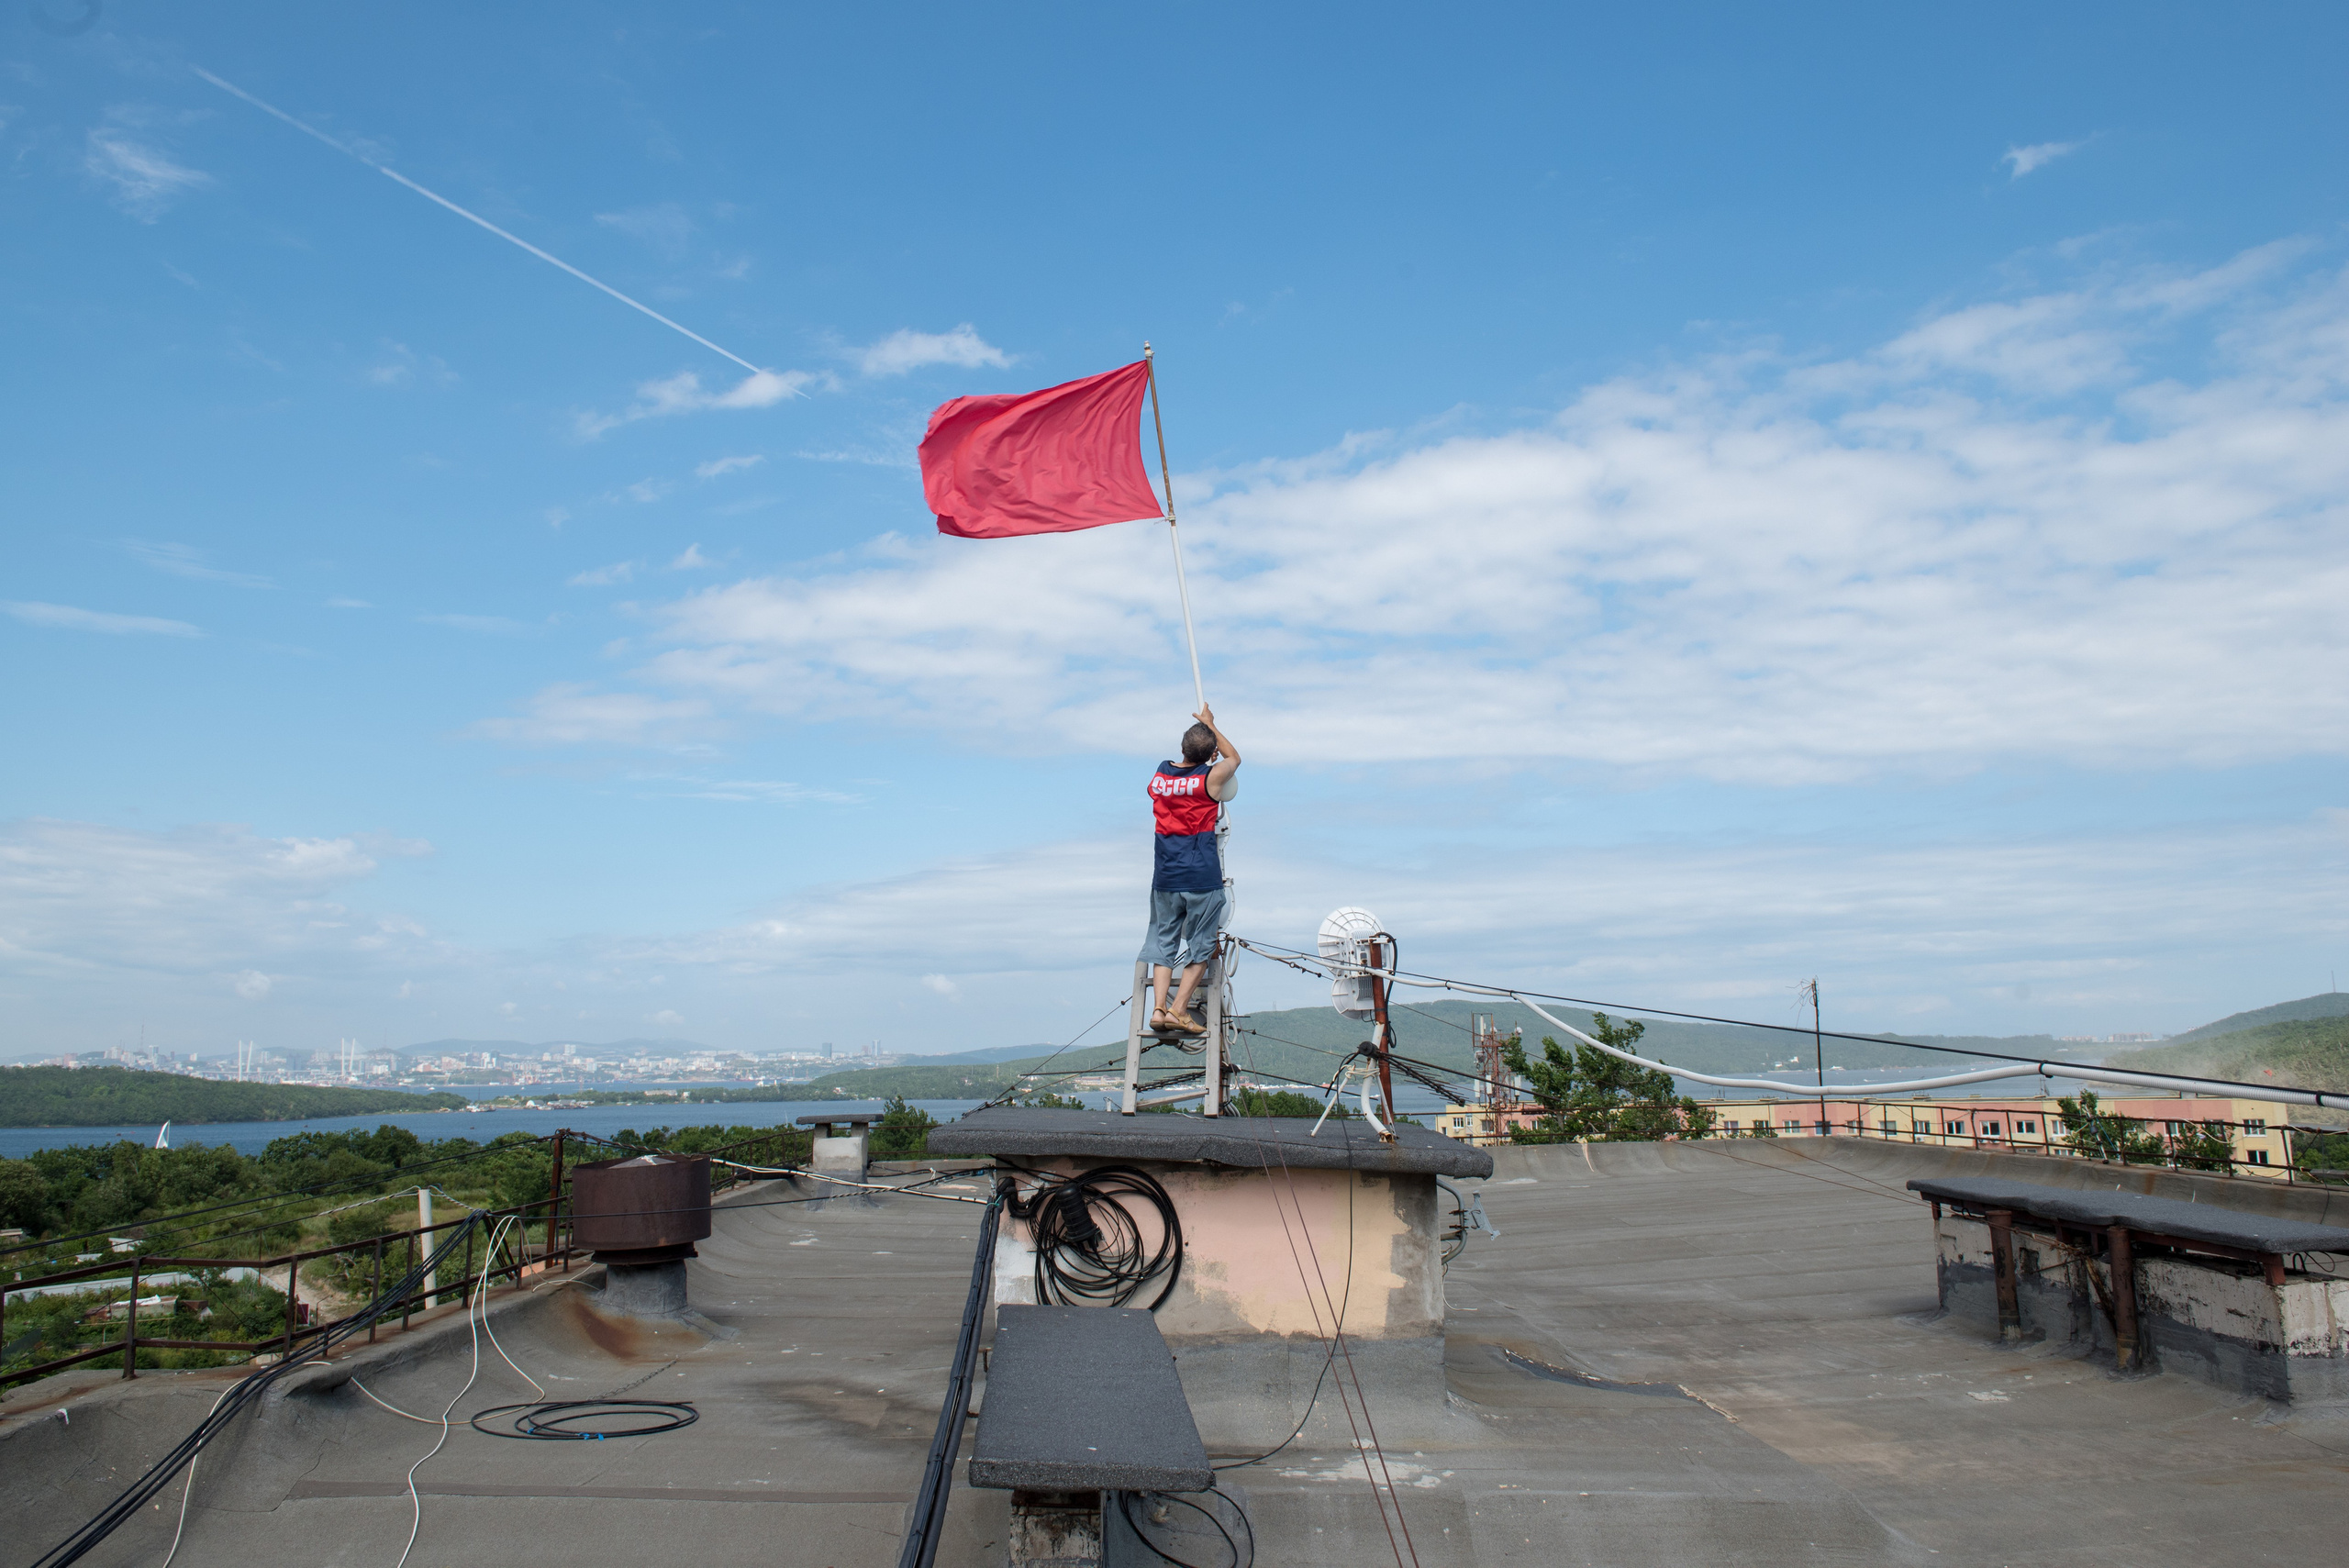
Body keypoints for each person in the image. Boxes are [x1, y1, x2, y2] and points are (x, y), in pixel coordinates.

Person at [1141, 703, 1241, 1035]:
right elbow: (1235, 760)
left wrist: (1203, 747)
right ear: (1210, 753)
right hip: (1201, 878)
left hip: (1165, 877)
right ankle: (1179, 1010)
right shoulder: (1209, 779)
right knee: (1201, 946)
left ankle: (1157, 1010)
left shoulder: (1161, 773)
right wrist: (1212, 725)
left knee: (1163, 943)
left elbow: (1156, 789)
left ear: (1182, 747)